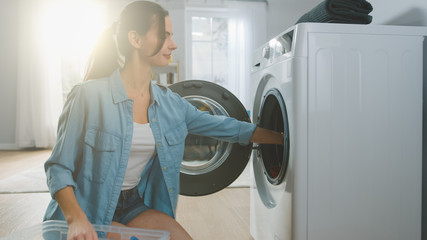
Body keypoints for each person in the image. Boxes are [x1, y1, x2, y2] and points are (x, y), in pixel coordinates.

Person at [43, 1, 284, 240]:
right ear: (135, 39)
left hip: (132, 204)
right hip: (86, 209)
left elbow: (225, 126)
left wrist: (282, 138)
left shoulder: (170, 104)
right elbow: (58, 167)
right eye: (164, 35)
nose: (173, 44)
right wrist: (77, 220)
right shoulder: (87, 96)